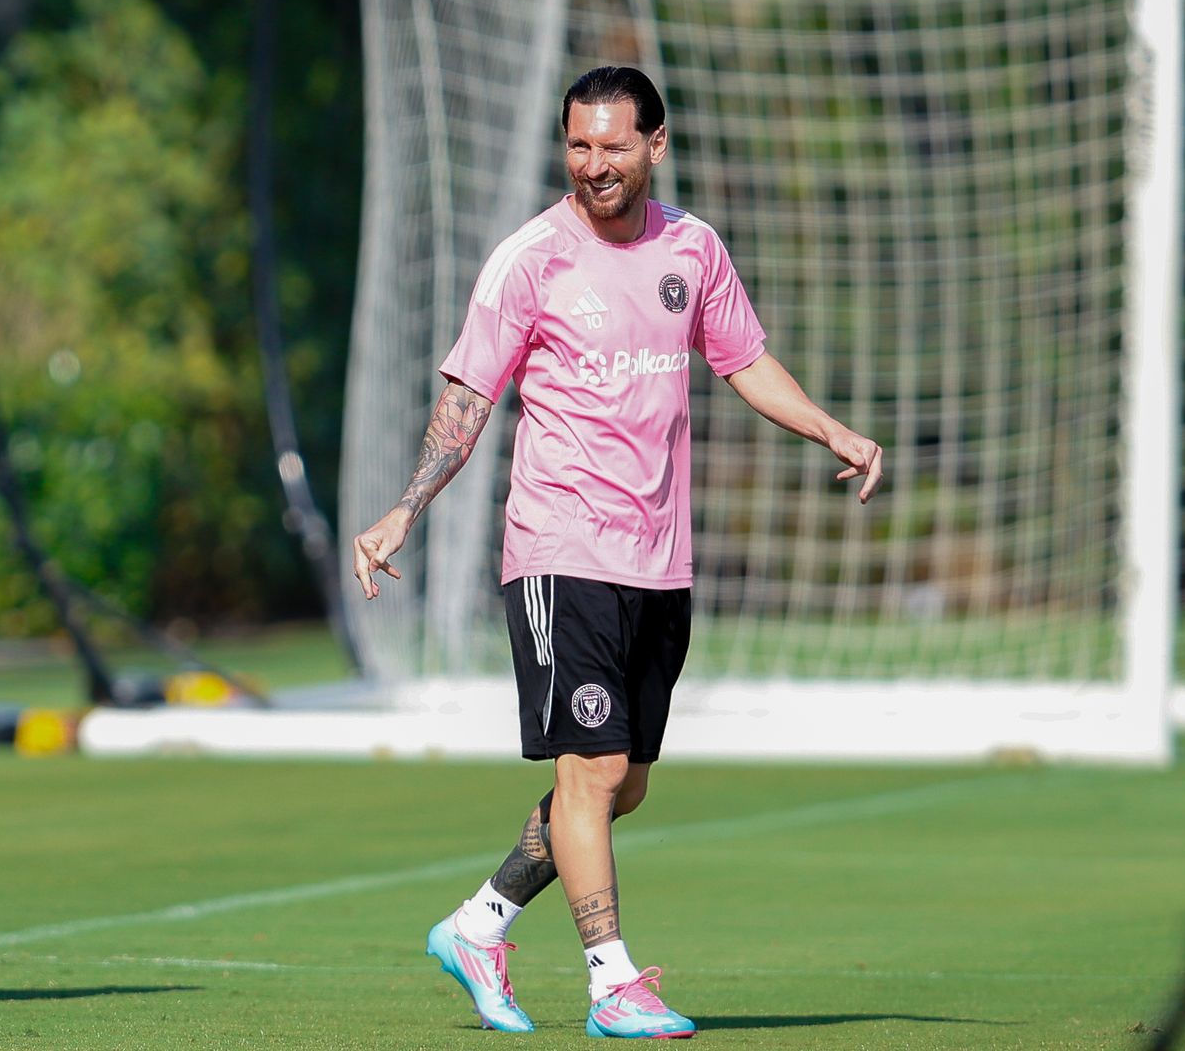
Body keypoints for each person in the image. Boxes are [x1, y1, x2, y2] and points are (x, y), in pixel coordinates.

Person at [351, 66, 883, 1040]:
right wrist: (404, 512)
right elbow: (466, 403)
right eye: (580, 145)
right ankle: (611, 983)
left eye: (613, 145)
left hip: (658, 560)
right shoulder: (530, 260)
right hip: (558, 548)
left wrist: (831, 430)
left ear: (656, 145)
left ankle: (480, 923)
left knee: (620, 781)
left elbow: (743, 359)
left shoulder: (694, 249)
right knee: (590, 767)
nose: (594, 165)